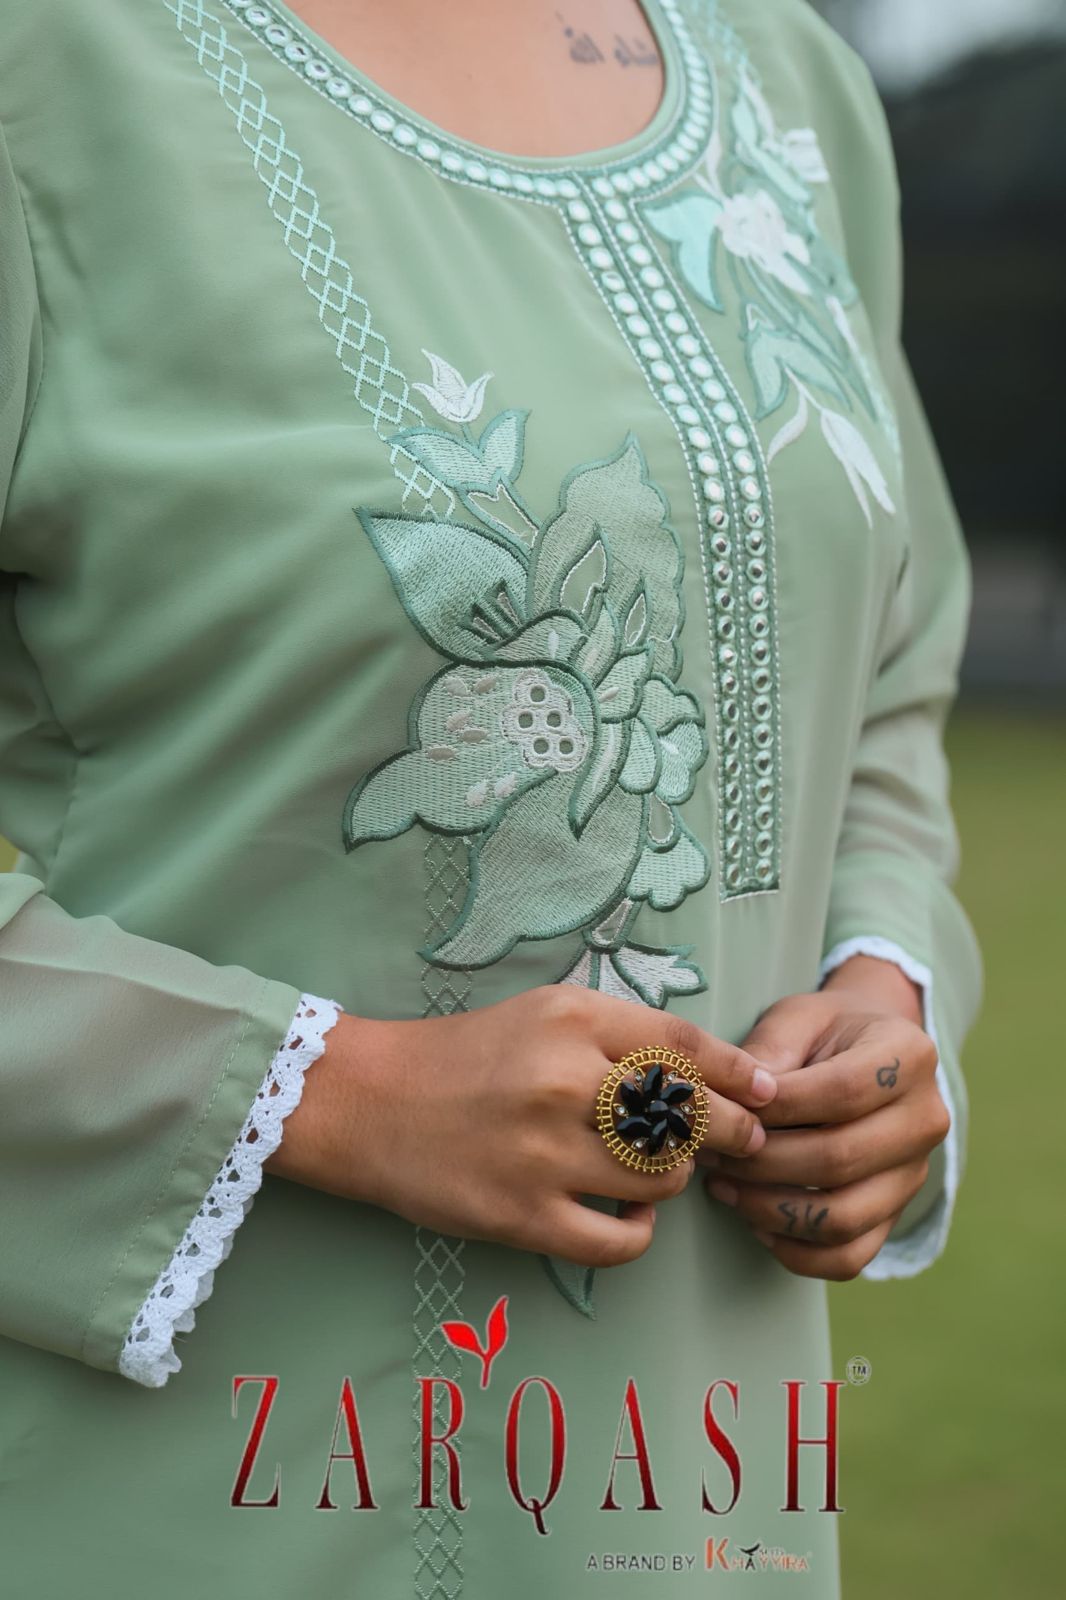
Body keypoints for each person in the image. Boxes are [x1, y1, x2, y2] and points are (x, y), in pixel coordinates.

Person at [0, 0, 982, 1594]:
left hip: (713, 1496)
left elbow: (883, 672)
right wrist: (329, 1093)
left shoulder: (786, 80)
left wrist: (881, 986)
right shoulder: (45, 74)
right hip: (210, 1496)